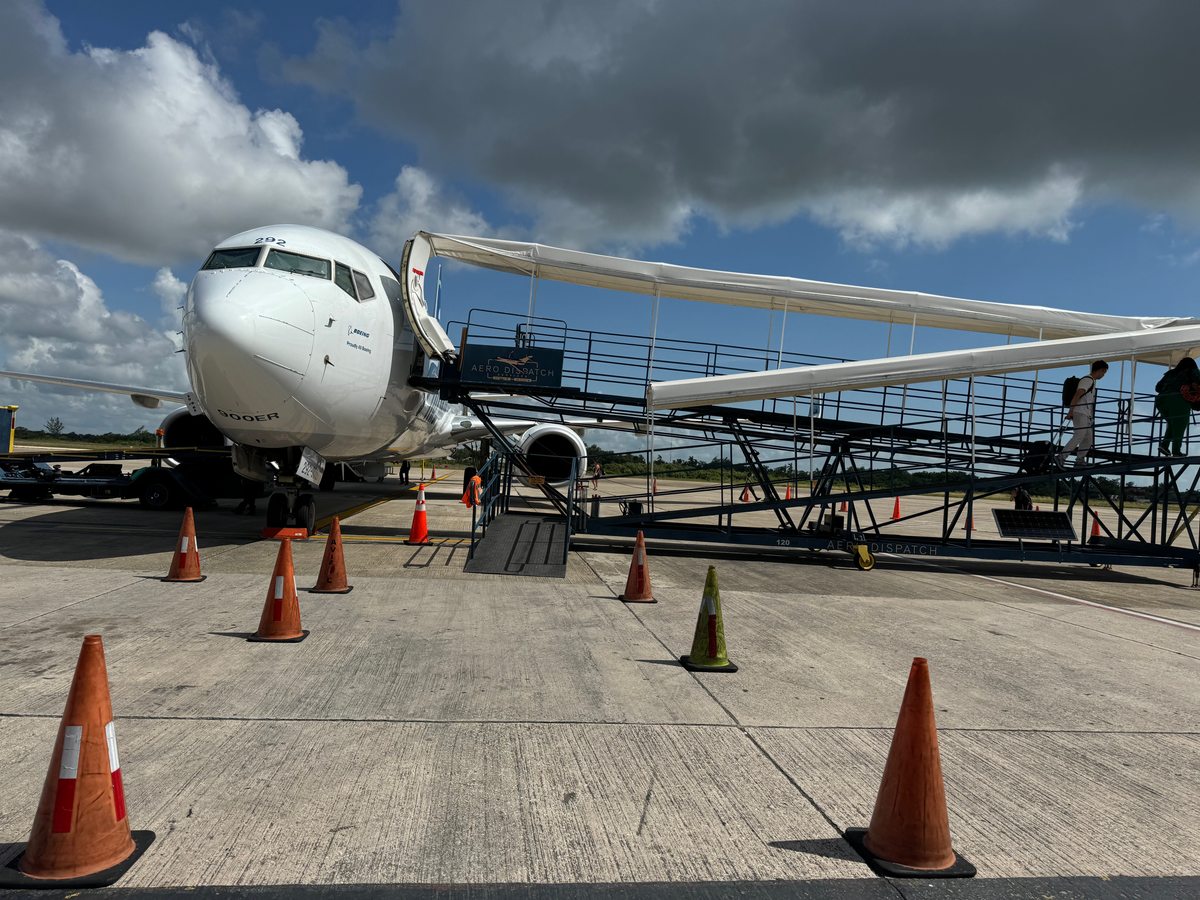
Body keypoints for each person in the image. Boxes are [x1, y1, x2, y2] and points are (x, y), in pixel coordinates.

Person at [1057, 360, 1108, 468]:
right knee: (1079, 436)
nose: (1103, 375)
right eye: (1104, 373)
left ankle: (1079, 461)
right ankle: (1061, 457)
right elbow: (1078, 394)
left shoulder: (1090, 381)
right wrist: (1071, 411)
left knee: (1088, 438)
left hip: (1085, 413)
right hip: (1080, 412)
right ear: (1101, 370)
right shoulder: (1087, 380)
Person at [1154, 357, 1200, 456]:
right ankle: (1176, 452)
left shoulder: (1170, 373)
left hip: (1161, 401)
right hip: (1177, 400)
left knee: (1172, 424)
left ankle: (1164, 445)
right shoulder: (1191, 371)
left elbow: (1157, 387)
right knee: (1180, 425)